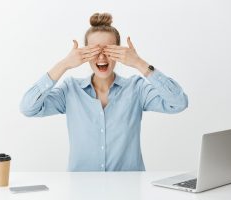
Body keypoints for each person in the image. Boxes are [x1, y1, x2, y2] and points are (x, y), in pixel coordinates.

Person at [20, 12, 188, 171]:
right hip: (81, 189)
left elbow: (178, 103)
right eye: (94, 51)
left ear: (120, 53)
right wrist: (64, 64)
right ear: (84, 54)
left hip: (128, 189)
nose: (101, 58)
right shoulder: (70, 90)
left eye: (108, 51)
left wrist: (139, 63)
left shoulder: (136, 88)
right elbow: (28, 108)